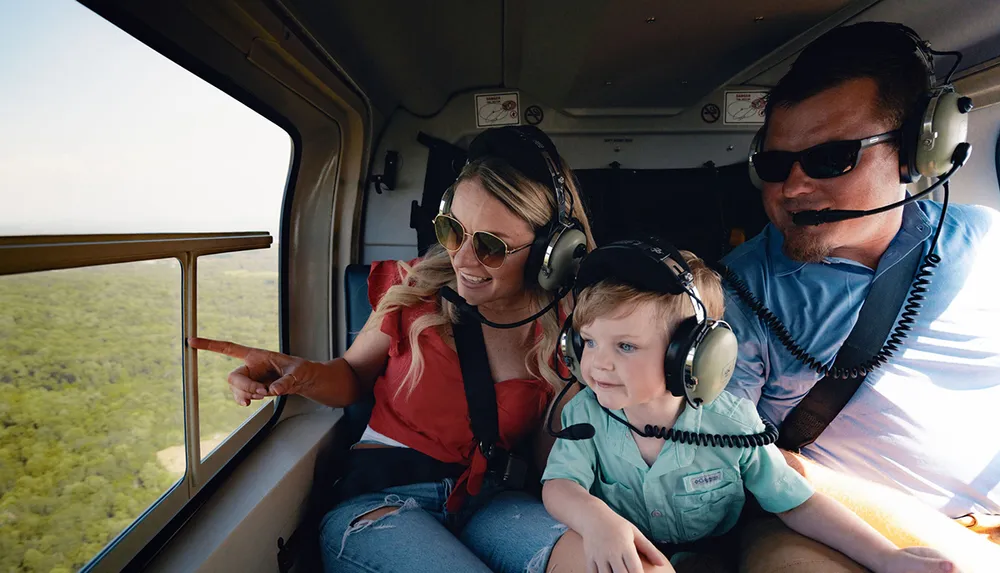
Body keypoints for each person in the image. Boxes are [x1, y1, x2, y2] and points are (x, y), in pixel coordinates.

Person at [190, 125, 598, 572]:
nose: (461, 259)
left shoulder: (565, 330)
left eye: (490, 246)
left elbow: (549, 464)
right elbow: (351, 378)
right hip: (384, 498)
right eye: (453, 230)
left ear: (549, 252)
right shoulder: (415, 286)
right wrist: (301, 373)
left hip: (492, 503)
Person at [721, 21, 1000, 572]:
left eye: (831, 159)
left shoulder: (984, 242)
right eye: (776, 166)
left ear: (917, 151)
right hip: (836, 533)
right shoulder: (736, 292)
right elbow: (732, 460)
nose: (793, 188)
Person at [539, 239, 958, 573]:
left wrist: (887, 558)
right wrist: (596, 521)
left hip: (720, 555)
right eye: (588, 342)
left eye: (626, 346)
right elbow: (560, 484)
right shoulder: (586, 414)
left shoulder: (733, 422)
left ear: (694, 355)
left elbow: (797, 502)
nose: (598, 363)